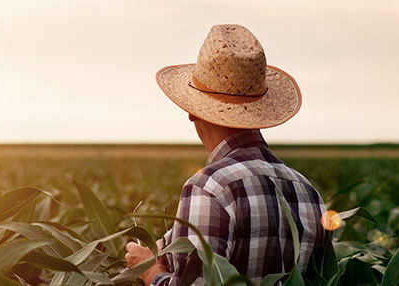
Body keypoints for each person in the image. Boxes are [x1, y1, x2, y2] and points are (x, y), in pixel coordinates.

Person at [124, 24, 331, 285]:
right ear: (260, 113)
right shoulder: (307, 192)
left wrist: (151, 272)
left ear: (192, 111)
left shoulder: (209, 187)